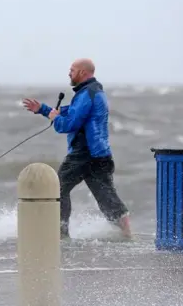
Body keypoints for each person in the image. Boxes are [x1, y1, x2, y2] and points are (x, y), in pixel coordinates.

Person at [22, 58, 132, 239]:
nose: (69, 73)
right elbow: (70, 112)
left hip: (84, 153)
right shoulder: (92, 92)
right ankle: (126, 234)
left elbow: (69, 124)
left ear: (82, 73)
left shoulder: (87, 94)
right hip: (100, 154)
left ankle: (61, 233)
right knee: (106, 195)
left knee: (57, 188)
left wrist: (53, 117)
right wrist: (42, 109)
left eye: (72, 70)